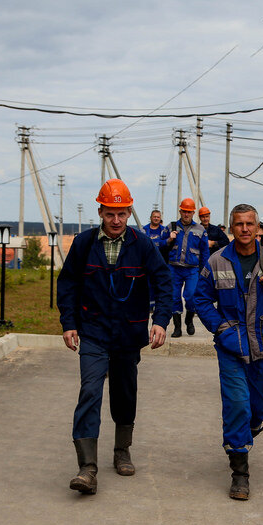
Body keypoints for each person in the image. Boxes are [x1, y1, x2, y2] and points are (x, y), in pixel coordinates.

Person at [56, 179, 173, 495]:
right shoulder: (83, 244)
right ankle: (87, 468)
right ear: (101, 211)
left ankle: (122, 450)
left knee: (124, 392)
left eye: (122, 213)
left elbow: (164, 282)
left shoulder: (142, 244)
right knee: (90, 390)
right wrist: (69, 323)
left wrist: (160, 321)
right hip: (93, 331)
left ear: (129, 211)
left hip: (128, 333)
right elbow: (67, 284)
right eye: (110, 213)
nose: (116, 220)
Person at [194, 203, 263, 501]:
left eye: (250, 223)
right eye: (239, 224)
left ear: (258, 226)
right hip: (231, 345)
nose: (245, 229)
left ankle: (248, 429)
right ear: (231, 227)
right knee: (237, 403)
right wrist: (220, 329)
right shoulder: (216, 261)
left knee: (258, 407)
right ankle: (240, 471)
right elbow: (200, 300)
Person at [167, 197, 209, 337]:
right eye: (184, 211)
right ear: (180, 211)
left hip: (192, 269)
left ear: (193, 213)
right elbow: (161, 245)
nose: (186, 214)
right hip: (174, 268)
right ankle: (177, 328)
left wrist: (205, 272)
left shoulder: (200, 229)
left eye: (189, 212)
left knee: (191, 296)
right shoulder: (171, 227)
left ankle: (189, 320)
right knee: (174, 297)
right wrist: (168, 239)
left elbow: (205, 253)